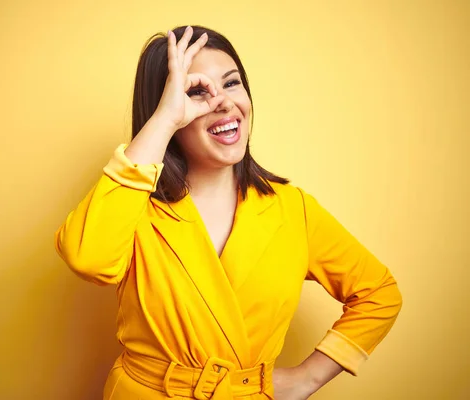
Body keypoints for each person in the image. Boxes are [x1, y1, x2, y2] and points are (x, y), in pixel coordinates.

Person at [55, 25, 402, 400]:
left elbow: (379, 293)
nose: (222, 102)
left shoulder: (293, 209)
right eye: (196, 91)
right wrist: (165, 120)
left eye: (232, 83)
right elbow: (87, 259)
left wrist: (308, 377)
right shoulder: (133, 206)